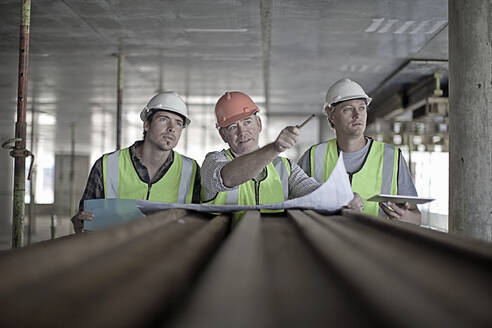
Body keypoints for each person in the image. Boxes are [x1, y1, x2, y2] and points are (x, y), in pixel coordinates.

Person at [201, 91, 362, 216]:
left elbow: (311, 189)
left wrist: (341, 197)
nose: (243, 133)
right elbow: (226, 179)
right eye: (232, 127)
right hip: (226, 252)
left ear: (259, 124)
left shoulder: (285, 167)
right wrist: (274, 148)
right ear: (223, 135)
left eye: (247, 122)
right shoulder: (213, 162)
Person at [71, 91, 200, 232]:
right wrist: (81, 223)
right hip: (117, 251)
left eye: (178, 123)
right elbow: (85, 224)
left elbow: (198, 222)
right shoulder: (107, 165)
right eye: (163, 119)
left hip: (170, 251)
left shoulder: (191, 170)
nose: (171, 128)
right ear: (146, 125)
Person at [298, 78, 421, 225]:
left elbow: (416, 217)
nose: (357, 115)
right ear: (331, 115)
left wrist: (405, 218)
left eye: (362, 108)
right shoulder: (313, 156)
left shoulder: (392, 157)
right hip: (327, 242)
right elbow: (294, 206)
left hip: (375, 244)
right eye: (348, 109)